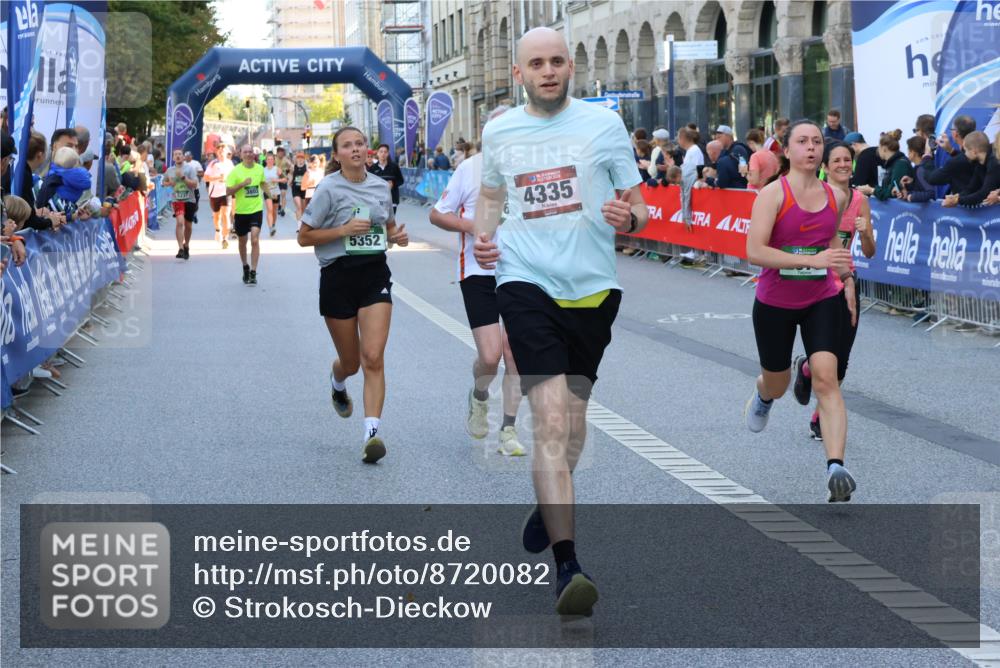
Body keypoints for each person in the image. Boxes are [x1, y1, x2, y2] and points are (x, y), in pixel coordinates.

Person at [472, 26, 647, 617]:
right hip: (524, 281)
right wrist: (484, 238)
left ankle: (550, 505)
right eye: (535, 64)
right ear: (518, 74)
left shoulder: (604, 125)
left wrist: (629, 217)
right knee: (548, 419)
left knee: (571, 429)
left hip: (593, 289)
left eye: (556, 61)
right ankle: (568, 566)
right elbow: (492, 196)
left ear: (570, 67)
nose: (547, 71)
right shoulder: (499, 131)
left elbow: (640, 206)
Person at [744, 119, 856, 503]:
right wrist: (810, 261)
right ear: (787, 150)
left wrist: (848, 281)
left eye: (817, 142)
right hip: (775, 301)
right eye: (803, 142)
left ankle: (836, 467)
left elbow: (831, 249)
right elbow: (755, 251)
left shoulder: (835, 196)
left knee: (828, 379)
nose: (811, 148)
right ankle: (763, 394)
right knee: (776, 383)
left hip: (820, 298)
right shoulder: (772, 195)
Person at [296, 126, 409, 464]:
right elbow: (304, 237)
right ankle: (337, 380)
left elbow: (388, 228)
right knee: (352, 362)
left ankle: (371, 434)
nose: (356, 149)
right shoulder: (328, 188)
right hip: (338, 276)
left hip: (374, 272)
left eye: (360, 143)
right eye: (347, 145)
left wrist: (397, 237)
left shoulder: (380, 187)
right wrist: (343, 230)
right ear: (337, 155)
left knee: (373, 357)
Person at [428, 104, 526, 457]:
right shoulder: (470, 169)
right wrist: (472, 226)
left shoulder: (529, 167)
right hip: (478, 272)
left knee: (515, 354)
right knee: (490, 356)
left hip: (522, 272)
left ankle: (509, 430)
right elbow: (437, 214)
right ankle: (480, 395)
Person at [794, 141, 876, 441]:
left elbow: (869, 252)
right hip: (814, 282)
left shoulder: (858, 200)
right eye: (837, 160)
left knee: (841, 359)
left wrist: (866, 232)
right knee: (826, 356)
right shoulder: (812, 196)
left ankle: (806, 372)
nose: (843, 165)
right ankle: (820, 415)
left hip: (846, 283)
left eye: (848, 160)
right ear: (825, 166)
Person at [226, 145, 266, 284]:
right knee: (242, 242)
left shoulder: (260, 169)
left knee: (254, 240)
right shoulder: (235, 171)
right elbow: (228, 191)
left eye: (251, 152)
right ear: (241, 154)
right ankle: (245, 266)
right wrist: (242, 184)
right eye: (246, 152)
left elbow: (262, 183)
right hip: (241, 212)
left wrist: (270, 193)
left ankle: (253, 272)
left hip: (256, 210)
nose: (249, 154)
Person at [943, 131, 999, 208]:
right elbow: (972, 187)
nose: (965, 154)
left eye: (966, 151)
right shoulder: (980, 162)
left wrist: (958, 201)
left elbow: (984, 193)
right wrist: (956, 197)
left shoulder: (994, 163)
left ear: (974, 151)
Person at [162, 148, 199, 260]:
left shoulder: (190, 168)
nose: (178, 156)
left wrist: (183, 177)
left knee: (188, 225)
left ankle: (186, 245)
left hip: (190, 199)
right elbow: (163, 183)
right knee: (180, 222)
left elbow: (194, 184)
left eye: (179, 154)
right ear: (173, 157)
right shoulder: (170, 170)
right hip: (177, 200)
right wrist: (169, 183)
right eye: (175, 154)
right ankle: (180, 249)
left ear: (183, 156)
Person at [927, 115, 977, 195]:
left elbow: (931, 179)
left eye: (951, 129)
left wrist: (927, 156)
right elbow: (965, 157)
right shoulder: (981, 152)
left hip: (964, 204)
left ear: (955, 134)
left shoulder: (955, 162)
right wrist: (951, 151)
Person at [204, 144, 234, 248]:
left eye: (223, 151)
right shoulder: (213, 163)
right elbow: (206, 178)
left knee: (226, 215)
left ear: (227, 152)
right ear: (217, 153)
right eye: (219, 151)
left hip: (226, 193)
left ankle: (225, 238)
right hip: (214, 193)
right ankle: (218, 230)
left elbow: (234, 177)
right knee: (217, 216)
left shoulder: (230, 163)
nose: (221, 153)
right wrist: (217, 178)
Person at [871, 130, 912, 201]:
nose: (877, 150)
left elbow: (890, 193)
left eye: (878, 147)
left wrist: (872, 190)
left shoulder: (900, 164)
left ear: (884, 149)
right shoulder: (894, 164)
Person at [368, 144, 405, 214]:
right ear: (377, 154)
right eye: (381, 152)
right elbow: (368, 183)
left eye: (385, 152)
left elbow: (401, 180)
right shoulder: (373, 168)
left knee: (390, 222)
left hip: (392, 199)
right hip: (378, 199)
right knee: (381, 221)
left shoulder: (394, 166)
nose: (383, 154)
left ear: (388, 154)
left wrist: (393, 184)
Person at [263, 153, 282, 236]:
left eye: (271, 159)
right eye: (268, 159)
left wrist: (277, 180)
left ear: (274, 161)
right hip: (267, 192)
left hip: (276, 192)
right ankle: (270, 228)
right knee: (269, 209)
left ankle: (273, 224)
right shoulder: (263, 170)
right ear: (266, 161)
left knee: (274, 211)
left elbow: (285, 179)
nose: (270, 161)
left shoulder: (277, 169)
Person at [184, 151, 205, 224]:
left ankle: (194, 213)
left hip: (195, 187)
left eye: (189, 156)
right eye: (186, 156)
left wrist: (195, 173)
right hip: (184, 188)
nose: (187, 157)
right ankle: (187, 216)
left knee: (195, 203)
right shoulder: (182, 164)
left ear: (191, 156)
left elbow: (202, 173)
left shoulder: (196, 163)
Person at [291, 152, 308, 223]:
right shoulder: (293, 167)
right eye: (298, 158)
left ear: (304, 159)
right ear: (296, 159)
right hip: (295, 189)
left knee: (304, 208)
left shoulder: (307, 167)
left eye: (302, 158)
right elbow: (290, 175)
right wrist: (289, 180)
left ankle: (304, 222)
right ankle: (299, 226)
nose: (300, 159)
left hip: (304, 189)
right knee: (299, 206)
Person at [276, 146, 293, 216]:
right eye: (279, 153)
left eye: (282, 153)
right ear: (277, 153)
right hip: (275, 179)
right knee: (276, 196)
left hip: (283, 179)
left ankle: (283, 210)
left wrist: (289, 174)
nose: (281, 154)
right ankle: (279, 205)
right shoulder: (273, 159)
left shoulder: (285, 160)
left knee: (283, 193)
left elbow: (291, 167)